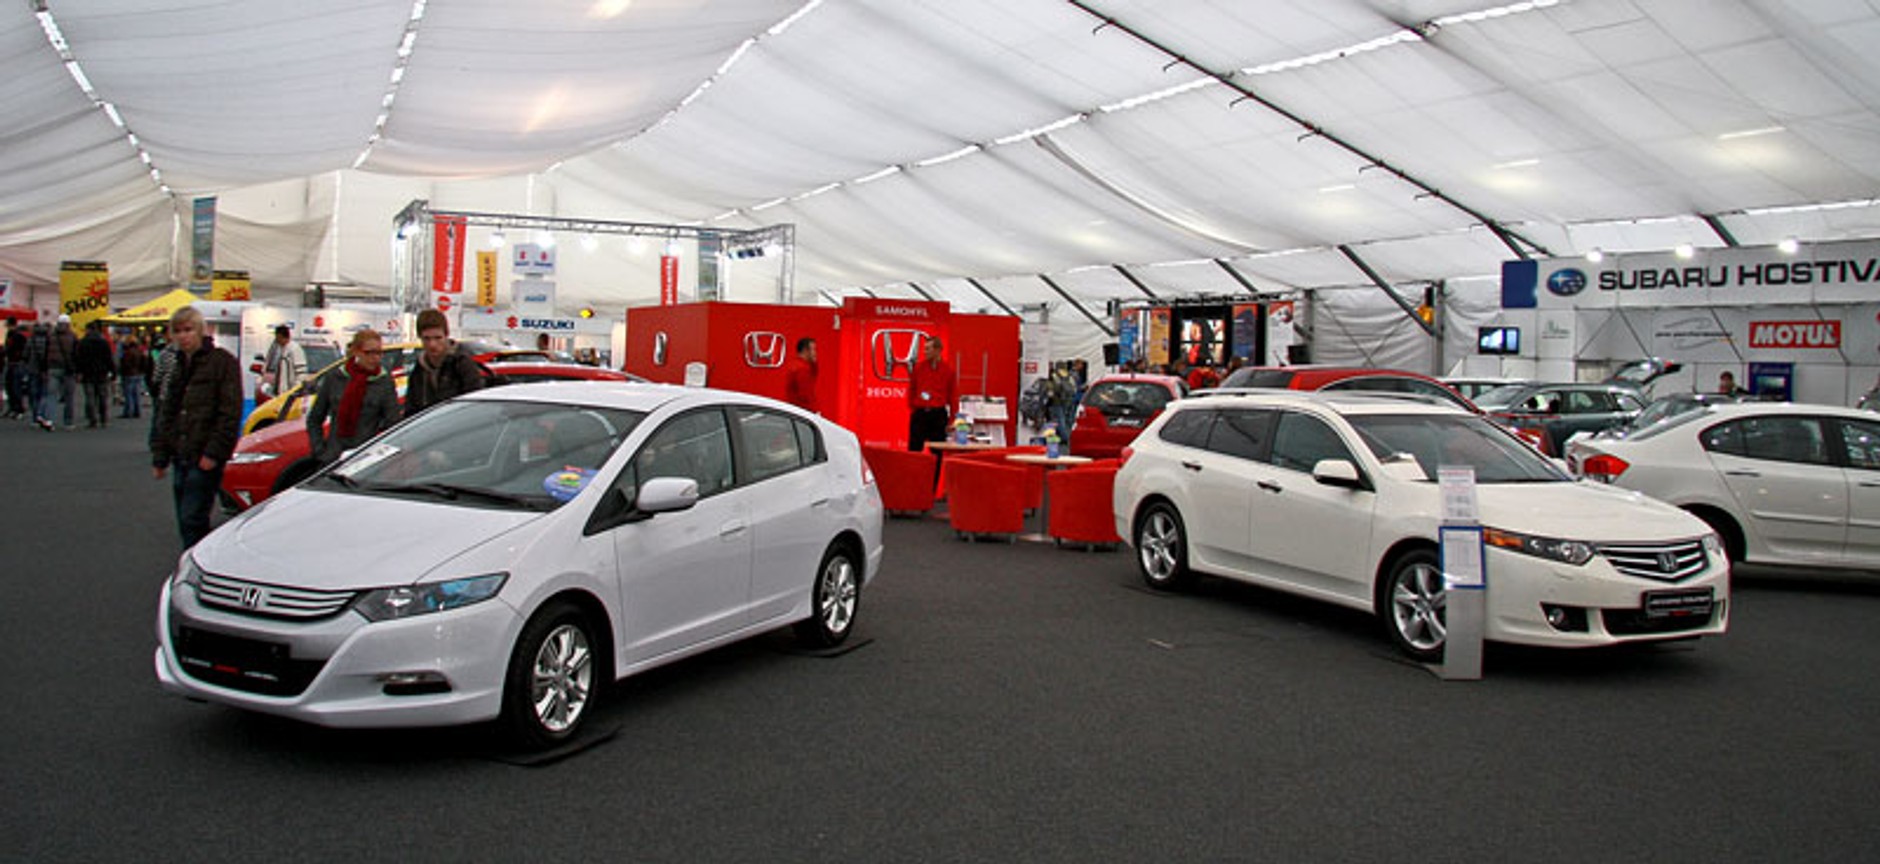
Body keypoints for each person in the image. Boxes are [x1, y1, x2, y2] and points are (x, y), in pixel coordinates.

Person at [151, 306, 242, 549]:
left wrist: (214, 453)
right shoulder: (177, 363)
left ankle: (195, 566)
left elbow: (230, 412)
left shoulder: (223, 362)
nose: (183, 336)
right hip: (181, 452)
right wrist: (160, 456)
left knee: (193, 517)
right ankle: (195, 561)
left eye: (188, 330)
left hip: (204, 454)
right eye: (178, 331)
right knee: (185, 517)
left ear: (201, 330)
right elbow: (167, 411)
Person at [307, 328, 399, 463]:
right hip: (334, 455)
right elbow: (315, 418)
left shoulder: (383, 382)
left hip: (365, 457)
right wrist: (319, 450)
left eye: (379, 353)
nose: (375, 358)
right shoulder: (335, 377)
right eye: (369, 353)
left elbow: (393, 423)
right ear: (356, 351)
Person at [403, 308, 483, 419]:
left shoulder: (461, 364)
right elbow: (411, 408)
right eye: (426, 339)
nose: (432, 344)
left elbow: (474, 405)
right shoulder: (419, 369)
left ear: (446, 335)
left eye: (438, 338)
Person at [906, 334, 956, 452]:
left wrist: (952, 419)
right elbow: (912, 389)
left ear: (937, 350)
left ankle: (937, 470)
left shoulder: (948, 371)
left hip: (938, 415)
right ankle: (913, 470)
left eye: (928, 349)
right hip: (920, 414)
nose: (925, 352)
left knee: (937, 451)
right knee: (914, 449)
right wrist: (914, 407)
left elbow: (953, 395)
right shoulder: (918, 368)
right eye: (924, 348)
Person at [74, 320, 116, 428]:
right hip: (102, 372)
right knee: (102, 397)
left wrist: (78, 372)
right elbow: (109, 358)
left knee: (90, 397)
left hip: (88, 373)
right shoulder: (103, 342)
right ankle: (103, 418)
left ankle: (92, 419)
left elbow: (78, 359)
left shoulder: (83, 342)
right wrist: (113, 371)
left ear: (88, 330)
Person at [43, 314, 78, 430]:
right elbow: (76, 354)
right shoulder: (73, 336)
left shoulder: (51, 336)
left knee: (51, 395)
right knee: (69, 396)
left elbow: (45, 353)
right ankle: (68, 422)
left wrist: (44, 369)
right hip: (68, 369)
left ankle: (49, 419)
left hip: (52, 368)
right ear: (68, 324)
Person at [263, 324, 307, 401]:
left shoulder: (295, 349)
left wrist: (295, 390)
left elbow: (301, 372)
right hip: (281, 394)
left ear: (280, 336)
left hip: (290, 394)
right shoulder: (282, 350)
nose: (276, 340)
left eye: (276, 337)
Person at [784, 336, 819, 413]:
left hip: (795, 410)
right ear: (805, 350)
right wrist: (813, 412)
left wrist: (814, 363)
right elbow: (805, 396)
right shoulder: (802, 369)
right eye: (813, 349)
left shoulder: (796, 365)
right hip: (803, 412)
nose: (815, 353)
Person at [118, 334, 149, 419]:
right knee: (136, 393)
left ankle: (128, 411)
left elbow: (124, 364)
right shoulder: (139, 351)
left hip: (129, 374)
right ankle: (137, 411)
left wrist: (122, 371)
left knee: (128, 394)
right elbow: (145, 362)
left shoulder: (127, 353)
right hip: (138, 374)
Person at [3, 319, 26, 419]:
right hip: (10, 362)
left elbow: (22, 349)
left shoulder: (19, 336)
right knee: (9, 386)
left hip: (17, 363)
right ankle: (12, 407)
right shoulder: (10, 335)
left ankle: (19, 409)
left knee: (16, 387)